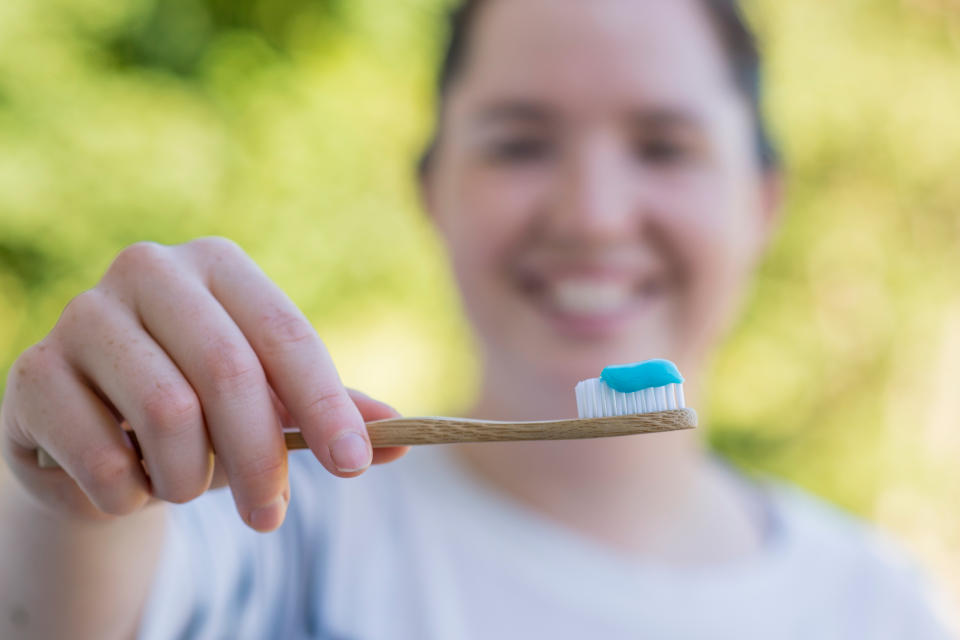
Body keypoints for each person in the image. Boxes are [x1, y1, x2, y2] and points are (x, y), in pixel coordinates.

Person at [0, 0, 953, 638]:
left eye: (665, 145)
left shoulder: (880, 608)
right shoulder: (272, 535)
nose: (591, 214)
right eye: (520, 143)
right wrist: (76, 500)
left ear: (765, 202)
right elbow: (66, 607)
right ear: (432, 189)